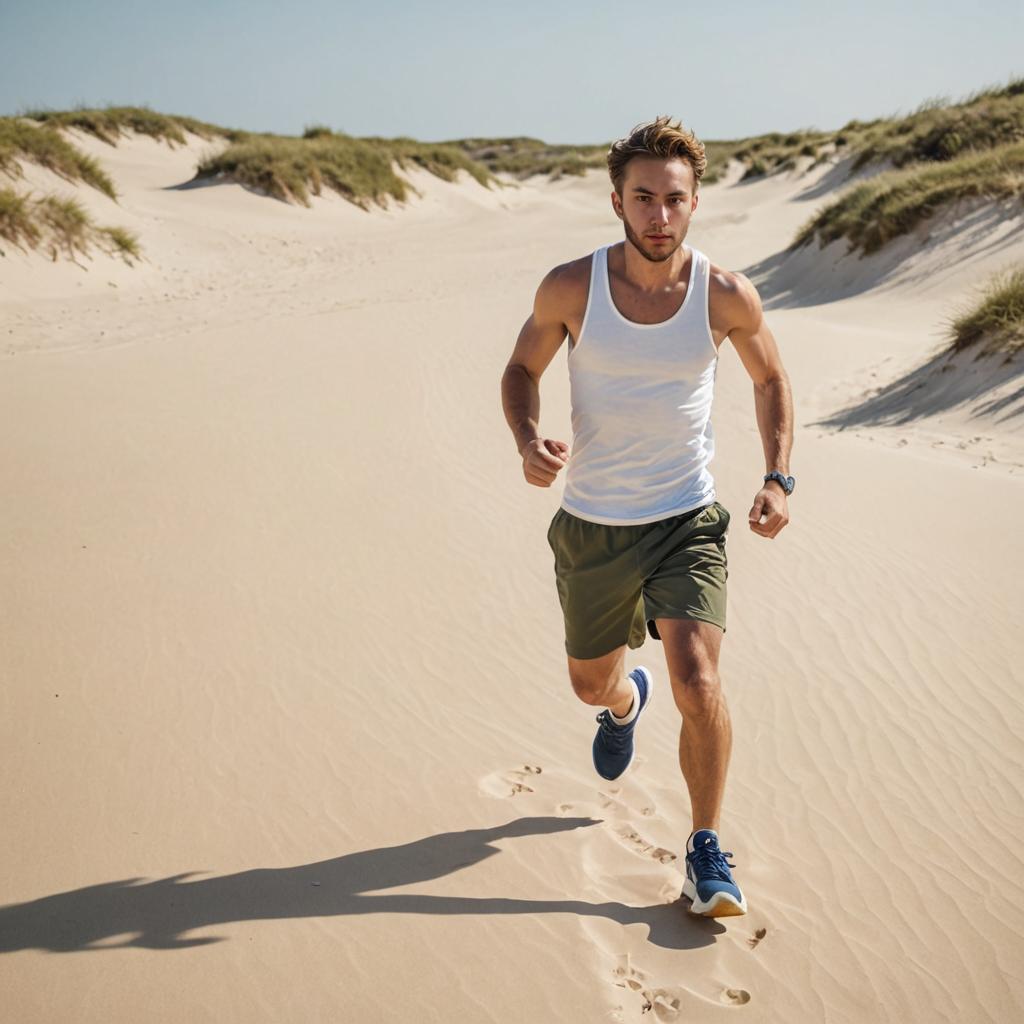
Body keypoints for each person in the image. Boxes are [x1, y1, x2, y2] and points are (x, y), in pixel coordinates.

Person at [500, 115, 794, 918]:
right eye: (643, 200)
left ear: (695, 202)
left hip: (686, 518)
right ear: (617, 203)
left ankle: (705, 847)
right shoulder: (572, 286)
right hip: (594, 522)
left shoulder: (725, 293)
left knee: (700, 684)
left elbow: (770, 380)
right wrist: (527, 438)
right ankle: (625, 699)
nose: (658, 217)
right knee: (587, 684)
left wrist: (778, 477)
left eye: (673, 200)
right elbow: (521, 369)